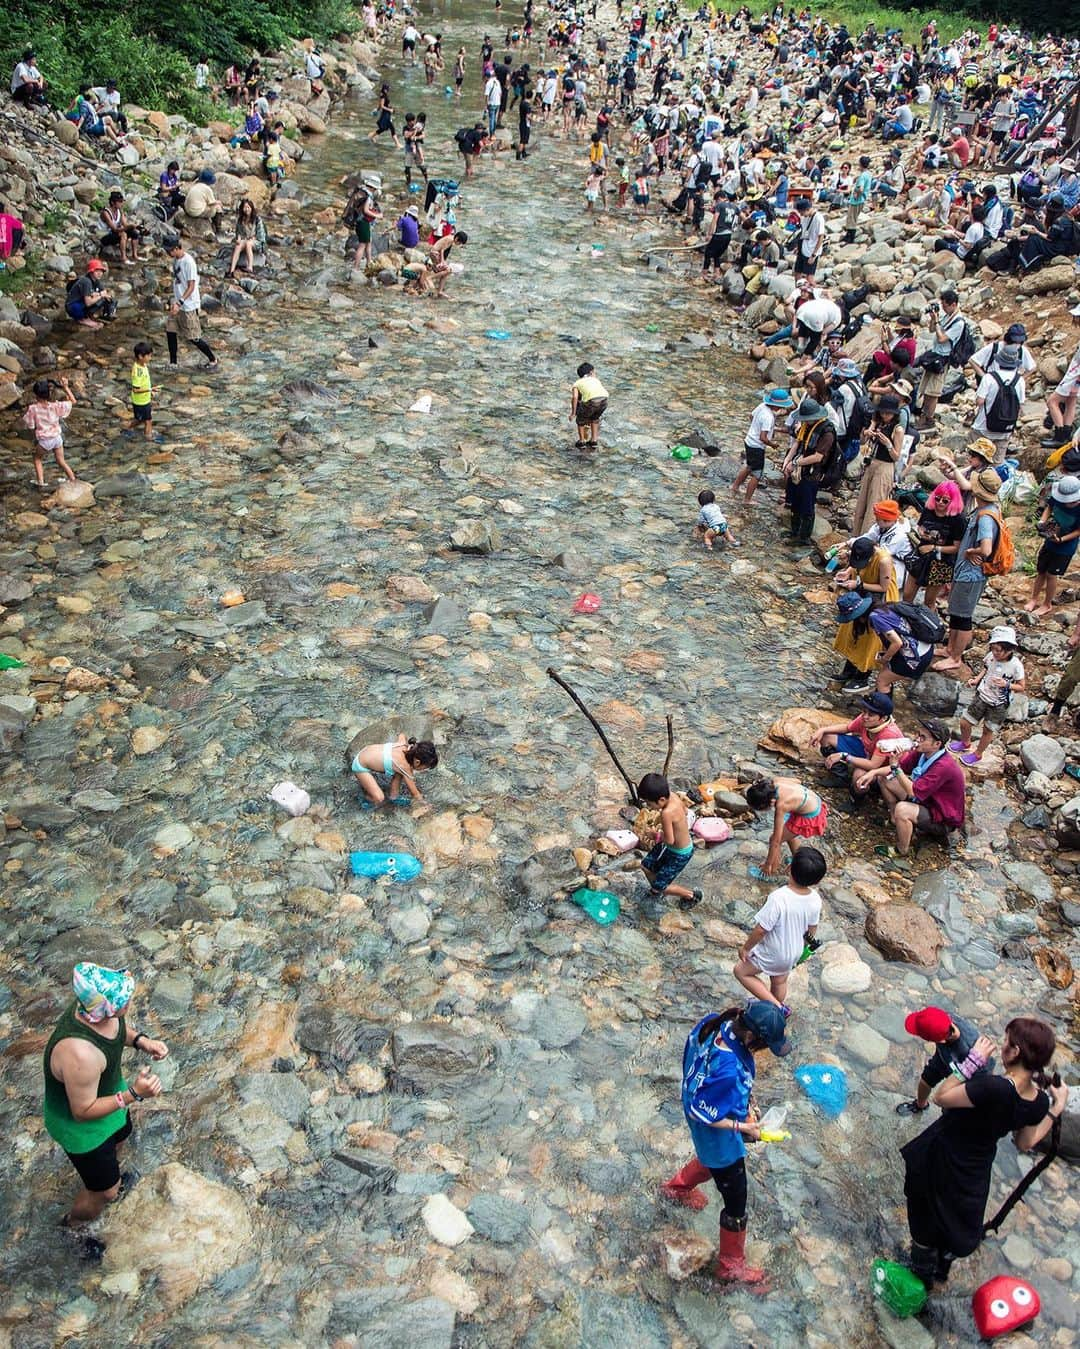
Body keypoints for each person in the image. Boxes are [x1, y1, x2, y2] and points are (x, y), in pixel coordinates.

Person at [901, 1016, 1067, 1286]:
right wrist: (1055, 1109)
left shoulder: (993, 1088)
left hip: (942, 1157)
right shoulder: (1038, 1101)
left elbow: (941, 1097)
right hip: (975, 1169)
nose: (1002, 1047)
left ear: (1015, 1052)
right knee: (956, 1221)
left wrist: (972, 1063)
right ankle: (941, 1266)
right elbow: (1025, 1143)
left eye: (1006, 1042)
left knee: (924, 1218)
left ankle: (920, 1270)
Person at [659, 1001, 790, 1286]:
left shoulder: (714, 1022)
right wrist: (745, 1127)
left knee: (709, 1157)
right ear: (752, 1038)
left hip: (698, 1113)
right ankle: (731, 1267)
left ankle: (676, 1188)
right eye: (765, 1045)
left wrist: (745, 1104)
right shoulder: (729, 1071)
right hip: (713, 1132)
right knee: (736, 1202)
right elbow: (702, 1111)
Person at [43, 963, 168, 1252]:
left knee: (122, 1136)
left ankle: (105, 1171)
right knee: (106, 1191)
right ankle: (72, 1226)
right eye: (125, 999)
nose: (130, 1000)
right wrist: (134, 1094)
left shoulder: (94, 1009)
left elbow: (116, 1028)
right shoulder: (80, 1055)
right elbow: (82, 1111)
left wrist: (141, 1041)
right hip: (82, 1129)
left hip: (109, 1103)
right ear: (109, 1006)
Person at [735, 848, 824, 1015]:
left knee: (741, 972)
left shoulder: (778, 898)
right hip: (794, 951)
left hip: (773, 952)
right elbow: (812, 930)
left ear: (789, 868)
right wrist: (802, 948)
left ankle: (776, 1007)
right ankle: (773, 1007)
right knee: (779, 981)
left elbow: (761, 930)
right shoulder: (815, 899)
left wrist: (746, 948)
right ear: (816, 880)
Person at [933, 470, 1004, 674]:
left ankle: (956, 657)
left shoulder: (985, 518)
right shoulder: (987, 510)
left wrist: (972, 551)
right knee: (955, 612)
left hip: (972, 574)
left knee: (963, 616)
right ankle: (950, 649)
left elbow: (987, 548)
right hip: (965, 573)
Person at [874, 718, 966, 856]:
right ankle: (895, 820)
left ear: (937, 744)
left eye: (923, 737)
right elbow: (902, 768)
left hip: (941, 817)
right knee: (884, 779)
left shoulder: (943, 766)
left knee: (902, 809)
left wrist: (894, 766)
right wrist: (873, 772)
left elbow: (912, 791)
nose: (917, 739)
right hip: (926, 801)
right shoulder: (921, 752)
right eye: (918, 734)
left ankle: (902, 849)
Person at [895, 1005, 993, 1117]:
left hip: (965, 1072)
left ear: (940, 1041)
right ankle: (920, 1104)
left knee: (949, 1107)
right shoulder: (944, 1020)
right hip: (944, 1057)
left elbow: (976, 1075)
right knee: (926, 1080)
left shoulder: (966, 1050)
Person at [948, 626, 1024, 766]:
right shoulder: (991, 657)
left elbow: (1021, 686)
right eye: (993, 648)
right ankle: (965, 742)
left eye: (998, 650)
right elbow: (986, 668)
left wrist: (1006, 684)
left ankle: (977, 754)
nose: (994, 653)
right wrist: (976, 680)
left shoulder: (1016, 666)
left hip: (999, 704)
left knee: (988, 730)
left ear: (1009, 649)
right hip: (982, 696)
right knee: (965, 722)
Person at [832, 538, 899, 693]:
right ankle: (848, 671)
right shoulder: (859, 548)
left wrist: (858, 585)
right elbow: (856, 567)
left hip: (880, 601)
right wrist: (848, 572)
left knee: (870, 639)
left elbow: (884, 587)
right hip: (863, 596)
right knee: (853, 632)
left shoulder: (883, 561)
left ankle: (862, 677)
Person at [636, 772, 703, 910]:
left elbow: (670, 840)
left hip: (679, 853)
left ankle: (692, 895)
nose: (648, 807)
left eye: (649, 803)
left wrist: (656, 836)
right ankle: (656, 890)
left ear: (661, 800)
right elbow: (684, 812)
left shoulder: (666, 813)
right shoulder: (672, 796)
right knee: (646, 866)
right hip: (673, 847)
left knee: (661, 886)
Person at [745, 774, 828, 878]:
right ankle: (796, 859)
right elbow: (798, 780)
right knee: (787, 832)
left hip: (810, 816)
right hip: (813, 801)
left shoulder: (782, 805)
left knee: (775, 839)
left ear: (769, 803)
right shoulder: (775, 781)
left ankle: (770, 872)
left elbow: (776, 841)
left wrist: (767, 864)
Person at [781, 397, 836, 545]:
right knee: (794, 501)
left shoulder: (827, 433)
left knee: (806, 505)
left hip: (812, 473)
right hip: (798, 469)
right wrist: (787, 461)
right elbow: (797, 443)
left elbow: (818, 457)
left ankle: (803, 537)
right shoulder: (806, 426)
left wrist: (795, 462)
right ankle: (794, 531)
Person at [903, 481, 965, 607]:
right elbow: (920, 526)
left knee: (929, 601)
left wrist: (934, 547)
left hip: (942, 561)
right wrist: (922, 533)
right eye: (937, 498)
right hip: (921, 555)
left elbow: (957, 548)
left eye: (945, 500)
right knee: (907, 595)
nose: (940, 503)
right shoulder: (928, 510)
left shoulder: (958, 520)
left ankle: (931, 625)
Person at [1026, 476, 1080, 619]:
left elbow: (1078, 531)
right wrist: (1042, 521)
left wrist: (1061, 539)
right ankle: (1033, 598)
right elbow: (1049, 507)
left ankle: (1047, 603)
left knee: (1051, 574)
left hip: (1066, 546)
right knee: (1041, 570)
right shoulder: (1057, 499)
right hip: (1051, 536)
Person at [852, 396, 903, 534]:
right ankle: (856, 535)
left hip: (885, 466)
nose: (885, 415)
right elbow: (862, 442)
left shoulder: (897, 430)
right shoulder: (878, 424)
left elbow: (896, 456)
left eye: (888, 413)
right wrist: (870, 428)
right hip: (872, 464)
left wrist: (887, 444)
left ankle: (867, 537)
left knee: (875, 502)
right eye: (883, 412)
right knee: (862, 502)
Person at [732, 388, 793, 504]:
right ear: (777, 406)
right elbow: (763, 438)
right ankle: (747, 500)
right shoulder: (768, 417)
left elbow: (751, 416)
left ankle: (735, 486)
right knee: (757, 475)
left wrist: (756, 427)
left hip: (749, 441)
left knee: (749, 466)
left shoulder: (762, 406)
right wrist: (773, 444)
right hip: (757, 447)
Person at [165, 237, 217, 372]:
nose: (167, 253)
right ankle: (173, 363)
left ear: (177, 248)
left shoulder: (189, 262)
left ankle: (212, 359)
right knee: (170, 331)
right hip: (177, 303)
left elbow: (191, 286)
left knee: (194, 337)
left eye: (169, 250)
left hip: (188, 305)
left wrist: (180, 302)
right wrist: (174, 301)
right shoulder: (176, 260)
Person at [915, 290, 965, 429]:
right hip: (934, 355)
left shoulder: (958, 322)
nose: (943, 308)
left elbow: (942, 338)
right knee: (925, 388)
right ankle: (923, 415)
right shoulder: (946, 316)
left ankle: (928, 419)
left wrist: (937, 322)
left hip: (943, 359)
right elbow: (932, 331)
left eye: (945, 305)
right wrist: (933, 319)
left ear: (953, 304)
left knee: (934, 391)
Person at [349, 734, 438, 807]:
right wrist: (426, 804)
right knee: (379, 798)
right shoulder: (405, 767)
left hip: (365, 751)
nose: (424, 770)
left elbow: (402, 735)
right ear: (417, 762)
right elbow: (415, 794)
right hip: (360, 765)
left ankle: (393, 796)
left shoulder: (404, 744)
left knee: (399, 773)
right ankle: (362, 799)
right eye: (424, 768)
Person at [24, 376, 78, 490]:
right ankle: (73, 479)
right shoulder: (55, 406)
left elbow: (30, 425)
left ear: (36, 394)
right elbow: (73, 401)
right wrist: (66, 387)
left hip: (45, 441)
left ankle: (41, 482)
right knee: (61, 461)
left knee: (37, 459)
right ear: (49, 393)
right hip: (57, 438)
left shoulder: (33, 408)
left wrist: (33, 433)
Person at [65, 258, 115, 328]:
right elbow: (88, 303)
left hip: (81, 302)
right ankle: (82, 319)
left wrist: (107, 297)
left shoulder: (96, 280)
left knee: (104, 299)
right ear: (91, 272)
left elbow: (104, 291)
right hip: (73, 306)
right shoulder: (86, 281)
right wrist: (100, 295)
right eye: (97, 271)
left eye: (101, 271)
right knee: (97, 299)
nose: (99, 273)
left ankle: (91, 315)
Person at [569, 362, 608, 450]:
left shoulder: (577, 383)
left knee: (580, 419)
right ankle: (594, 440)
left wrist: (573, 413)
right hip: (604, 400)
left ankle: (582, 441)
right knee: (595, 418)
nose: (595, 374)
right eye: (594, 372)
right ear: (591, 373)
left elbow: (575, 397)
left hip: (592, 401)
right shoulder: (596, 380)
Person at [128, 340, 161, 444]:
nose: (150, 358)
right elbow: (136, 389)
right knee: (148, 420)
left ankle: (128, 428)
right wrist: (150, 390)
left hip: (142, 399)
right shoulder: (138, 371)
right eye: (148, 356)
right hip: (141, 401)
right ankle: (149, 438)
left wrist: (150, 391)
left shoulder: (142, 365)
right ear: (141, 356)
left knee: (140, 419)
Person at [99, 191, 143, 267]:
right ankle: (124, 258)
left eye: (122, 201)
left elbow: (125, 224)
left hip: (114, 233)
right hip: (104, 235)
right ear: (113, 202)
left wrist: (135, 226)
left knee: (134, 233)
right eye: (119, 202)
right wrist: (127, 227)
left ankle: (135, 255)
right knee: (123, 234)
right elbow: (115, 229)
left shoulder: (120, 211)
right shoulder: (106, 213)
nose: (121, 203)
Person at [227, 199, 266, 277]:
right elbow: (238, 233)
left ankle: (250, 267)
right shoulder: (240, 220)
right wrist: (238, 239)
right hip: (246, 240)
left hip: (257, 242)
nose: (246, 209)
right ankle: (231, 270)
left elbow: (261, 235)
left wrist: (254, 238)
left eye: (248, 207)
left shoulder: (257, 219)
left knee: (248, 243)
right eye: (245, 207)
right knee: (238, 245)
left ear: (251, 208)